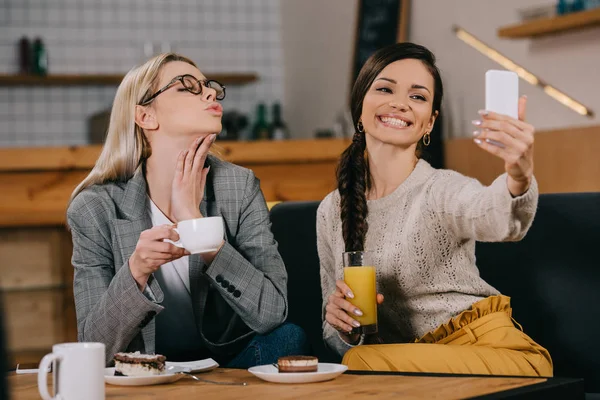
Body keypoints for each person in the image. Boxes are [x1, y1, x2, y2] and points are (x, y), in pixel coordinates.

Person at [318, 43, 552, 376]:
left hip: (501, 357)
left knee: (359, 365)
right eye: (384, 89)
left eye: (417, 97)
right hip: (411, 369)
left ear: (430, 122)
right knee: (357, 361)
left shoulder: (442, 189)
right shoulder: (331, 210)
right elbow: (335, 336)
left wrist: (519, 174)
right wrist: (344, 326)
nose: (399, 103)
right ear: (360, 107)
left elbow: (500, 219)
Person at [67, 53, 308, 367]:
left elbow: (272, 313)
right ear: (145, 117)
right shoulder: (94, 208)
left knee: (289, 337)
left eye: (208, 86)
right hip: (146, 370)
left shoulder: (238, 186)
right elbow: (94, 347)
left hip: (226, 363)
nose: (209, 93)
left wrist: (198, 228)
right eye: (186, 87)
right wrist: (136, 270)